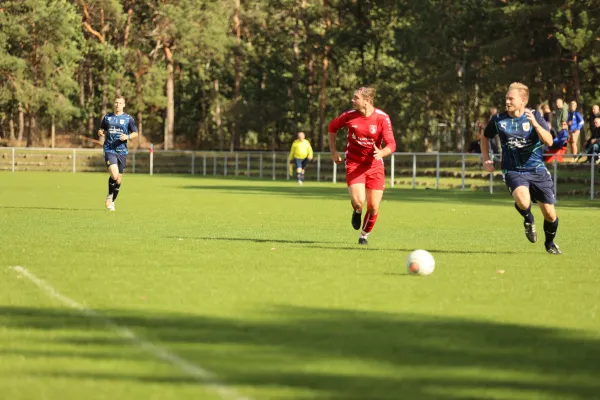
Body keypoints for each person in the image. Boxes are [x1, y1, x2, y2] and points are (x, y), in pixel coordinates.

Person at [481, 82, 561, 254]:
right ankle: (528, 218)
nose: (507, 102)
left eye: (511, 98)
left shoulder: (534, 116)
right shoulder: (498, 120)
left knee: (550, 214)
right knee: (523, 201)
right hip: (513, 169)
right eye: (506, 98)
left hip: (537, 169)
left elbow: (549, 141)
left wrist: (536, 125)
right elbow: (485, 137)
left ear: (523, 100)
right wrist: (486, 159)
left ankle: (550, 243)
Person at [327, 86, 396, 245]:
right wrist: (333, 152)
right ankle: (357, 210)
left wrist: (381, 153)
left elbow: (391, 144)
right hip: (354, 162)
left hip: (374, 165)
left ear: (367, 101)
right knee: (359, 202)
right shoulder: (349, 116)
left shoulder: (382, 118)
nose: (352, 100)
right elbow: (332, 127)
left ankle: (364, 235)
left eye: (356, 98)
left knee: (373, 207)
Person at [98, 96, 138, 211]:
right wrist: (100, 132)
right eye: (116, 102)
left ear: (124, 105)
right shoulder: (107, 117)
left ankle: (112, 201)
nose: (117, 105)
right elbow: (101, 129)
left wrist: (128, 136)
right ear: (114, 104)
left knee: (119, 180)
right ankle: (110, 197)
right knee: (114, 175)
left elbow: (136, 133)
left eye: (120, 103)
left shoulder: (128, 119)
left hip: (122, 151)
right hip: (109, 149)